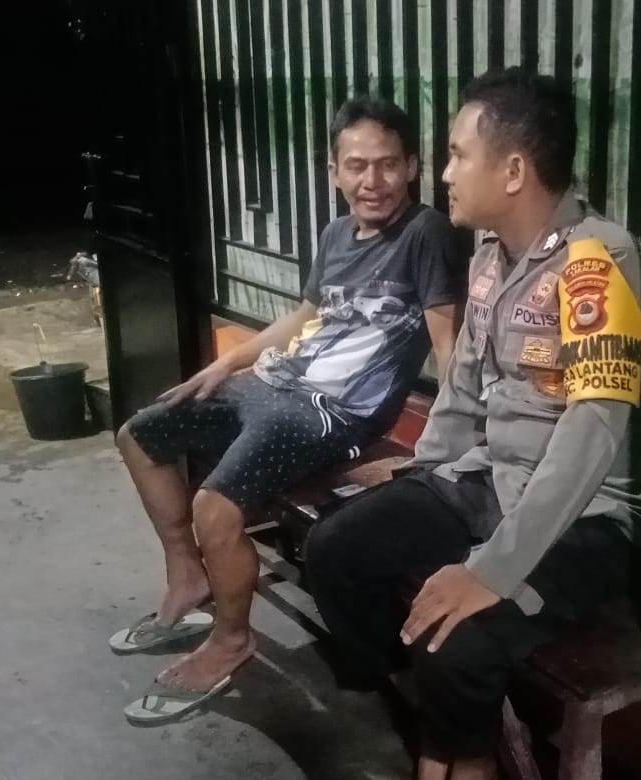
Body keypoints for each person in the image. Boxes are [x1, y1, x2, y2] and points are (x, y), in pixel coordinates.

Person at [306, 68, 641, 779]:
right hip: (493, 479)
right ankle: (428, 716)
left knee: (459, 641)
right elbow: (462, 393)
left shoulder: (597, 262)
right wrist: (423, 477)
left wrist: (494, 569)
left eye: (456, 154)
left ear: (512, 171)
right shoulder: (489, 259)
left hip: (593, 517)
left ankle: (462, 754)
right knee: (336, 548)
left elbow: (593, 431)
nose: (444, 172)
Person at [113, 96, 463, 724]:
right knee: (140, 434)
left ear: (412, 166)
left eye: (388, 164)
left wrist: (446, 446)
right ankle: (187, 574)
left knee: (216, 506)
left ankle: (231, 639)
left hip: (334, 412)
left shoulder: (426, 232)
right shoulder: (335, 234)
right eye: (356, 166)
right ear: (333, 171)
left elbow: (447, 344)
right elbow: (305, 317)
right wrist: (226, 364)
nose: (373, 181)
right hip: (277, 383)